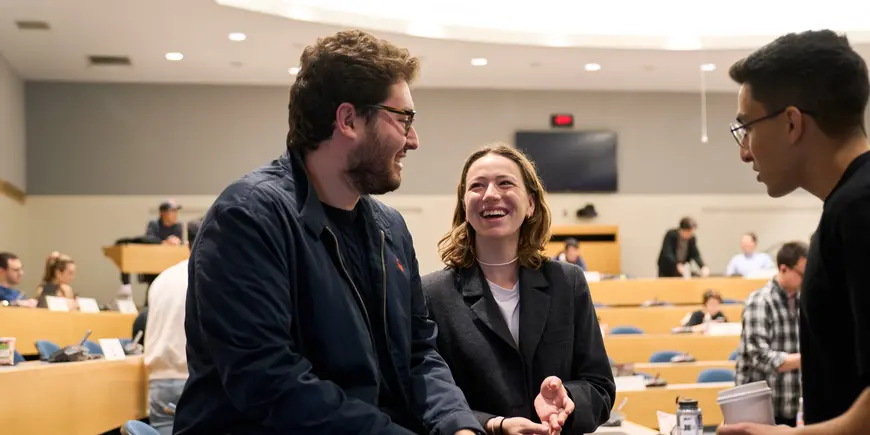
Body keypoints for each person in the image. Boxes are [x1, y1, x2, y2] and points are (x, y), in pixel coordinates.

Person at [173, 30, 482, 435]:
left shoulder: (391, 229)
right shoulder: (248, 218)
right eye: (403, 118)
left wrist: (458, 425)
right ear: (348, 120)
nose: (414, 140)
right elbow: (270, 382)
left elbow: (419, 352)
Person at [719, 30, 870, 434]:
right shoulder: (848, 205)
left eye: (746, 127)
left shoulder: (860, 207)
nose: (745, 150)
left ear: (790, 122)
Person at [423, 145, 615, 435]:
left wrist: (568, 400)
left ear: (531, 204)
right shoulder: (433, 293)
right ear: (464, 205)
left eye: (505, 183)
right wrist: (492, 425)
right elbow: (425, 398)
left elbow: (600, 387)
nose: (490, 195)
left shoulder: (568, 282)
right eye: (477, 186)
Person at [735, 242, 807, 428]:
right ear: (783, 269)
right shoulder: (760, 301)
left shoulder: (803, 302)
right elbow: (759, 356)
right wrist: (807, 359)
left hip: (790, 404)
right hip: (758, 410)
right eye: (801, 273)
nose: (806, 278)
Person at [144, 220, 200, 435]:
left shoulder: (162, 277)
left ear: (187, 244)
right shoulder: (209, 274)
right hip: (192, 377)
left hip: (159, 380)